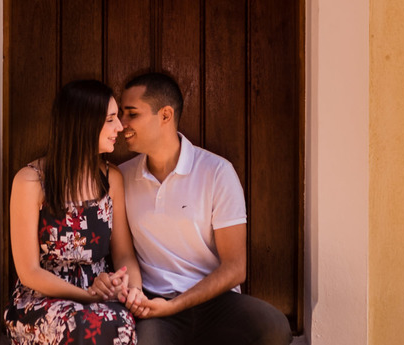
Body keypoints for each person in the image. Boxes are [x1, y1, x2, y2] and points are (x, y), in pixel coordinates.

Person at [115, 72, 292, 345]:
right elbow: (124, 253)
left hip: (214, 301)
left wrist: (176, 305)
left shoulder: (217, 172)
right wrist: (139, 295)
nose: (121, 123)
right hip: (154, 304)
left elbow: (236, 267)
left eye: (131, 114)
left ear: (165, 115)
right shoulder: (122, 176)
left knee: (274, 327)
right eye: (121, 114)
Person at [4, 79, 141, 345]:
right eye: (110, 119)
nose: (120, 126)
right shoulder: (30, 181)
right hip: (41, 298)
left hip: (101, 293)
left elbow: (124, 254)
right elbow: (29, 271)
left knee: (119, 321)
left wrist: (132, 289)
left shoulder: (111, 178)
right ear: (83, 124)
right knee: (83, 324)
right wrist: (86, 296)